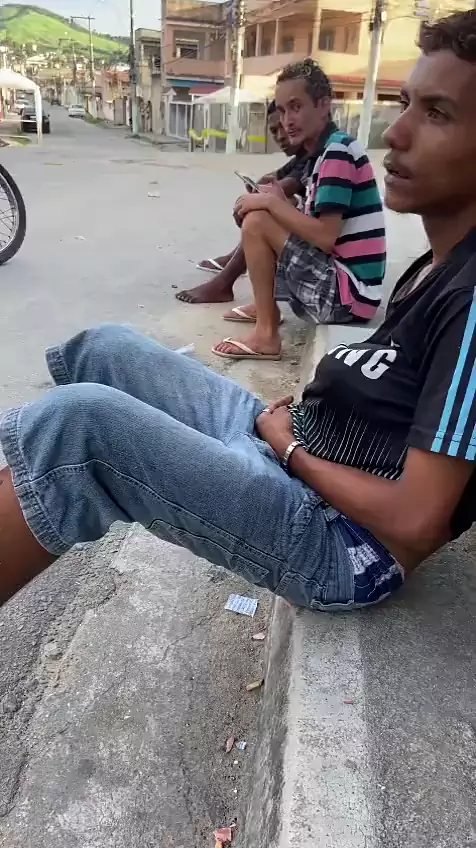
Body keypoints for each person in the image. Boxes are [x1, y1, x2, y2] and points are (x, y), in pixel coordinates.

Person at [2, 9, 476, 613]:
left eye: (437, 114)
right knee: (104, 347)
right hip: (298, 445)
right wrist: (293, 429)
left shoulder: (470, 300)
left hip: (338, 538)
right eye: (406, 104)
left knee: (78, 426)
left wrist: (290, 451)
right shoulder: (433, 267)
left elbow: (418, 521)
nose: (398, 133)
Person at [212, 59, 386, 362]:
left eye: (296, 107)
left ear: (323, 105)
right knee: (268, 215)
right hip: (347, 293)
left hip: (347, 298)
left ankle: (266, 333)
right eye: (282, 111)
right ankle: (266, 308)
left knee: (257, 221)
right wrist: (280, 203)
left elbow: (325, 237)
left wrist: (272, 203)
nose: (287, 120)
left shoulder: (339, 152)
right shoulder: (323, 153)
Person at [175, 102, 308, 305]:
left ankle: (228, 282)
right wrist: (261, 187)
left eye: (284, 126)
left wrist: (258, 197)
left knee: (263, 212)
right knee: (268, 204)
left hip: (324, 257)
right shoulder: (304, 156)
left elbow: (283, 187)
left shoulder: (320, 155)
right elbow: (276, 178)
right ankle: (236, 260)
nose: (281, 136)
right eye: (274, 130)